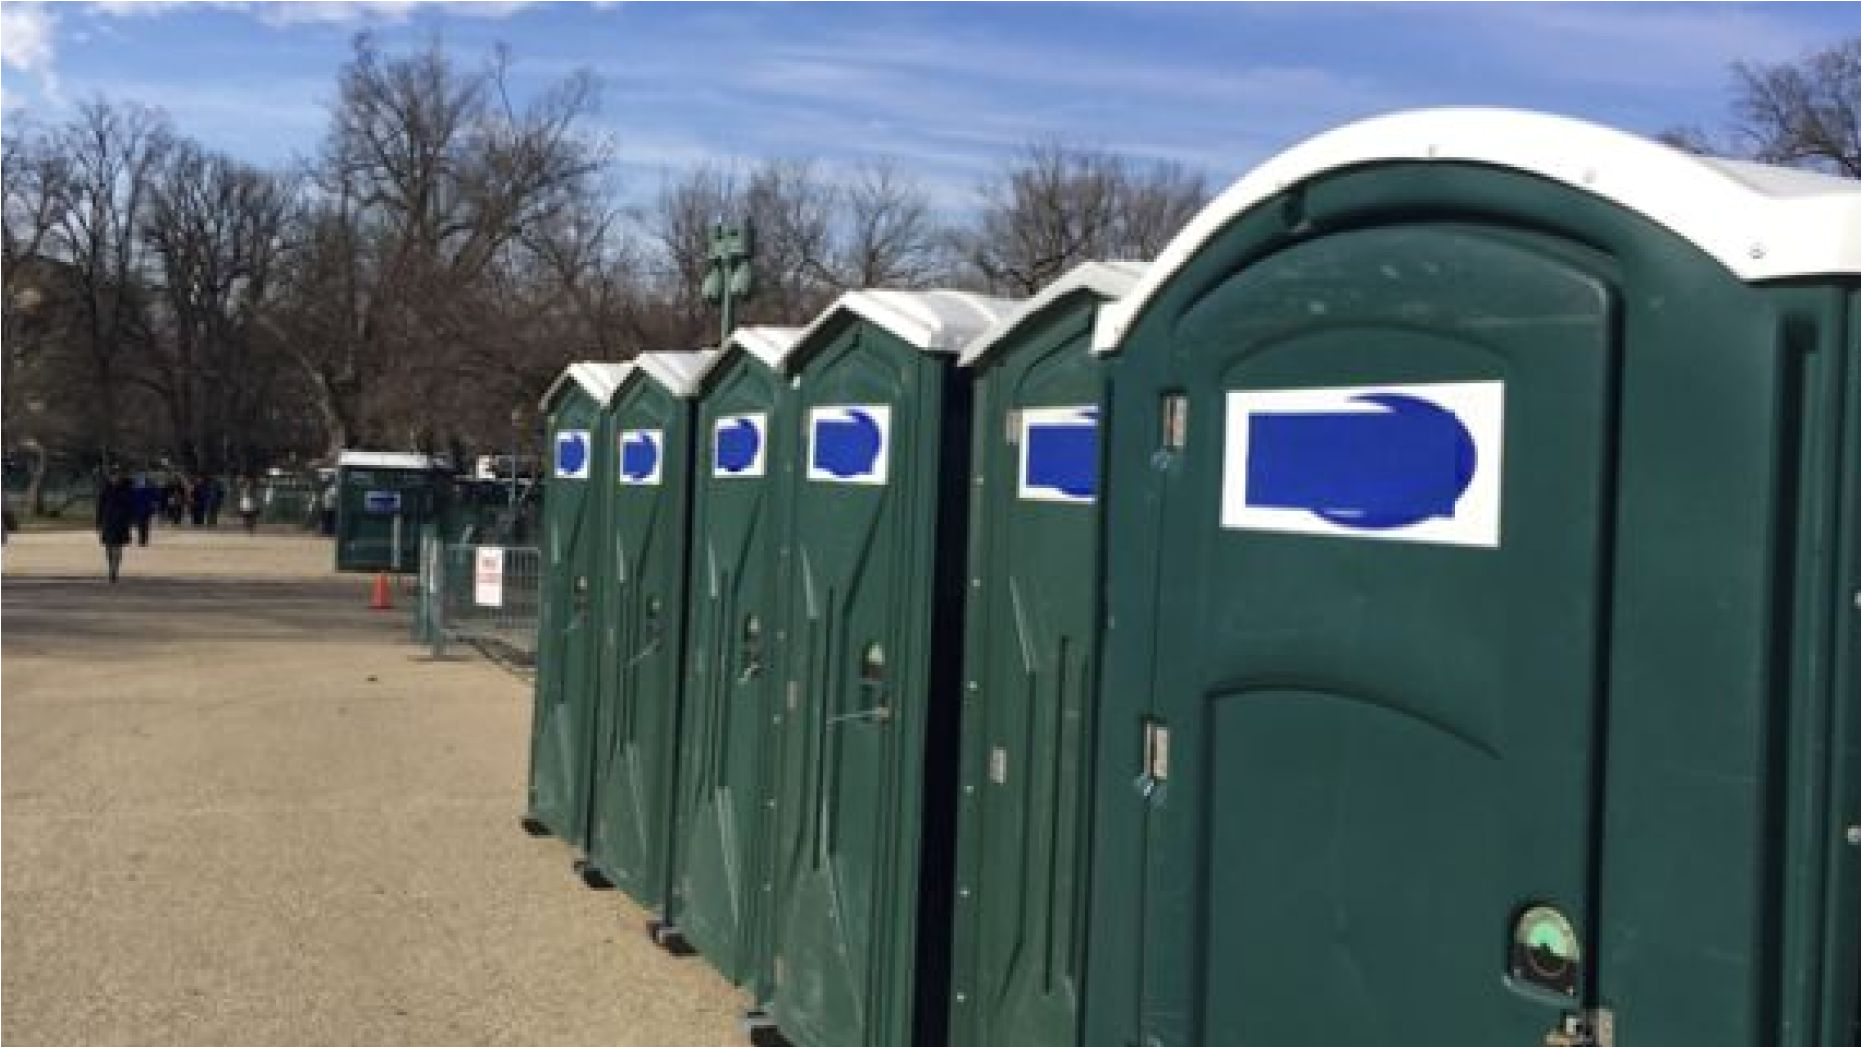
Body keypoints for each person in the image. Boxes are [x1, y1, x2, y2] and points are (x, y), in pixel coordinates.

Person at [95, 469, 136, 583]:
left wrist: (131, 520)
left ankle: (114, 570)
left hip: (121, 523)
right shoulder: (105, 490)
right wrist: (98, 522)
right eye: (113, 476)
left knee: (118, 548)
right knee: (108, 548)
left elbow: (131, 506)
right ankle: (110, 567)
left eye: (117, 476)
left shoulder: (127, 490)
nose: (115, 478)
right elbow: (100, 507)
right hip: (108, 522)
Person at [132, 472, 157, 547]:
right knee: (143, 525)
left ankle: (142, 539)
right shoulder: (145, 490)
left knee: (142, 525)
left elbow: (153, 499)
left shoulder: (138, 490)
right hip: (144, 510)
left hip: (144, 510)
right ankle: (143, 539)